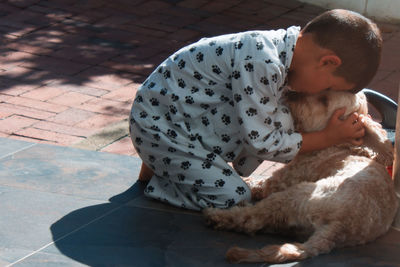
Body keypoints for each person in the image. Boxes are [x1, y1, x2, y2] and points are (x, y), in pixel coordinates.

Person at [129, 9, 382, 211]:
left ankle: (168, 163)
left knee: (281, 117)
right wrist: (327, 138)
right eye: (326, 88)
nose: (315, 94)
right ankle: (165, 182)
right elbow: (262, 142)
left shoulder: (280, 50)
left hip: (181, 119)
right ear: (327, 62)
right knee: (236, 198)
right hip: (159, 125)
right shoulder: (263, 62)